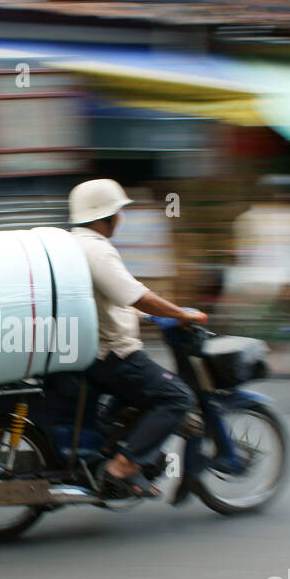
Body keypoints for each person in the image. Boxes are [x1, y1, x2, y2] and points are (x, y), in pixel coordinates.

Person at [68, 179, 205, 498]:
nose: (121, 219)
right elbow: (136, 296)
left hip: (88, 351)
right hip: (113, 355)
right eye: (119, 212)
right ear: (108, 215)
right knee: (177, 397)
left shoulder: (75, 243)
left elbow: (108, 299)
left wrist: (148, 315)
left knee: (132, 401)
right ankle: (123, 468)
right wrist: (181, 315)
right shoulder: (97, 249)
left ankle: (120, 456)